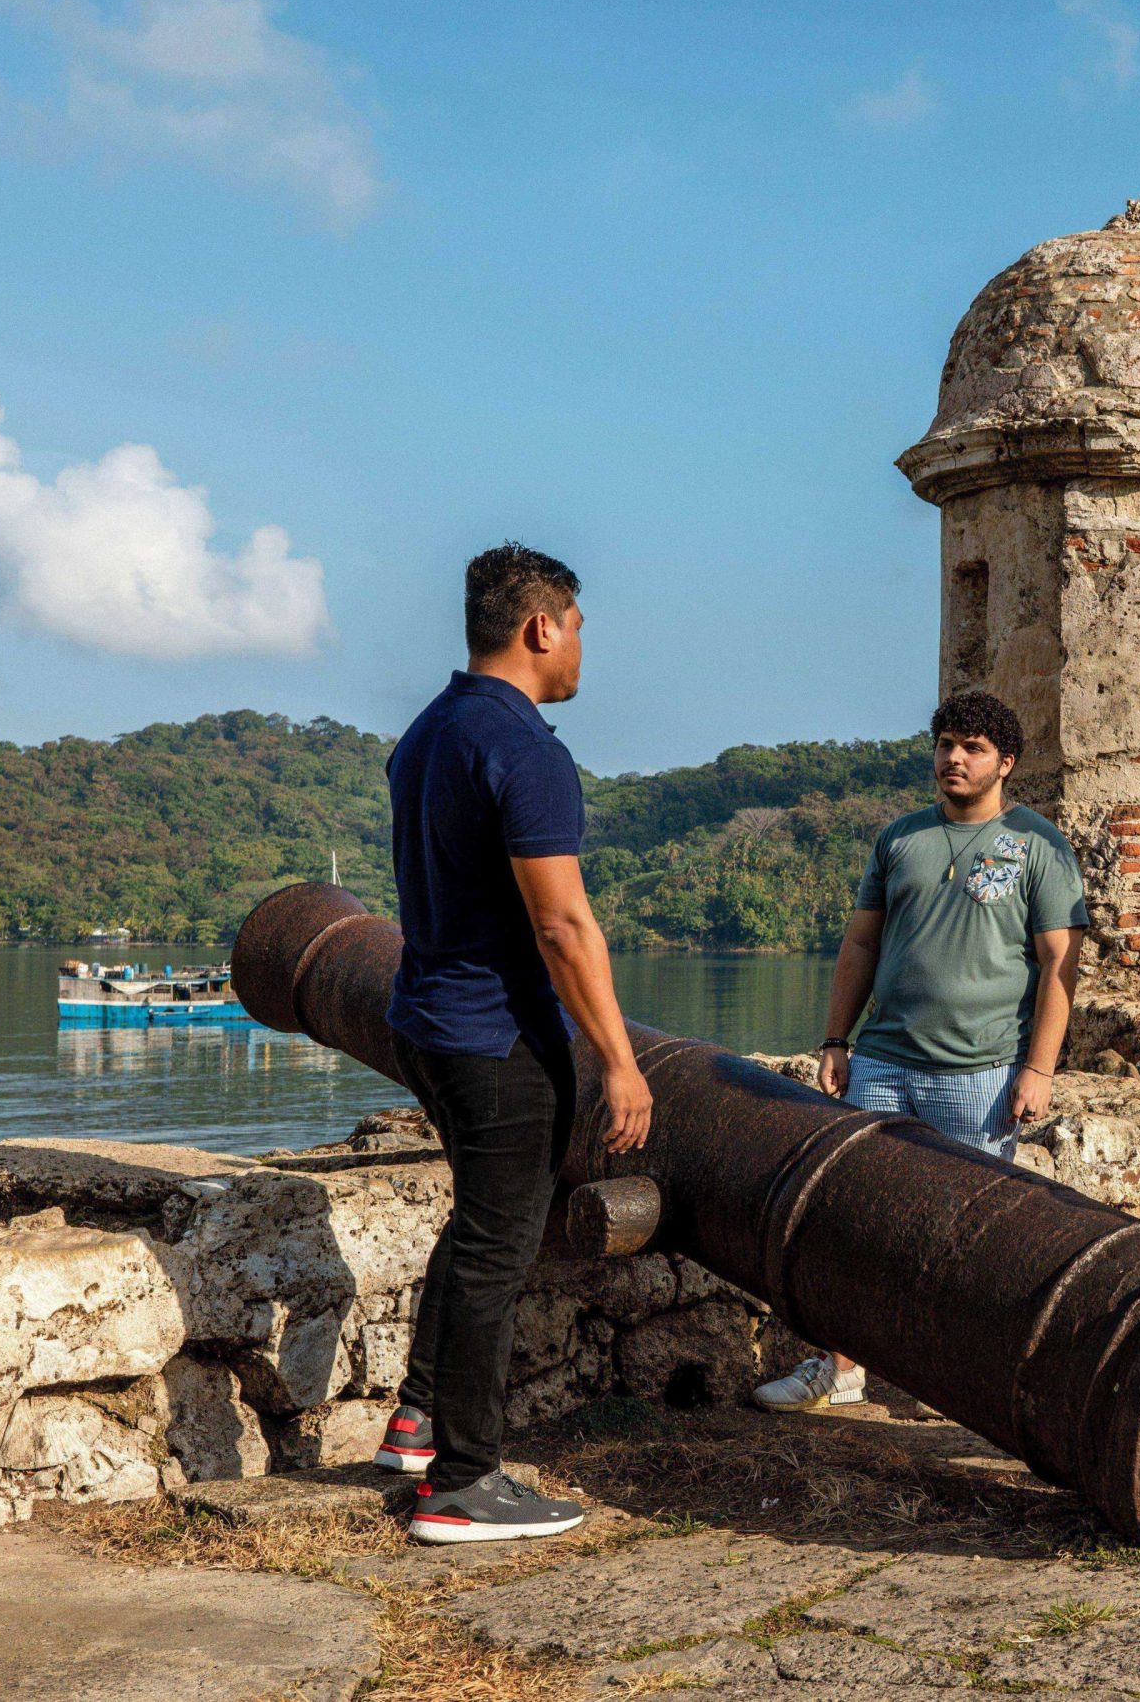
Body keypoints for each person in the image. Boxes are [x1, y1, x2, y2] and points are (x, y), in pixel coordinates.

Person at [373, 542, 653, 1546]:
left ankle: (417, 1422)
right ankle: (464, 1483)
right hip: (495, 1037)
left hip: (427, 1022)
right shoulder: (523, 747)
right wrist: (619, 1059)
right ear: (542, 627)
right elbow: (563, 925)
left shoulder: (428, 731)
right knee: (497, 1250)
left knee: (477, 1228)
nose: (579, 647)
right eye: (576, 627)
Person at [752, 691, 1088, 1413]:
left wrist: (1039, 1069)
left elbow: (1061, 962)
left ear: (1005, 762)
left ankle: (959, 1379)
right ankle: (838, 1369)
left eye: (972, 748)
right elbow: (861, 943)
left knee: (971, 1234)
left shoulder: (1038, 845)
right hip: (881, 1063)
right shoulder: (900, 838)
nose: (953, 759)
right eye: (944, 745)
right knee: (848, 1219)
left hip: (981, 1073)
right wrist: (836, 1039)